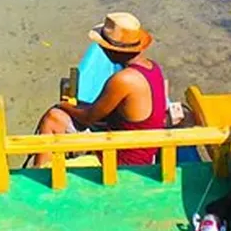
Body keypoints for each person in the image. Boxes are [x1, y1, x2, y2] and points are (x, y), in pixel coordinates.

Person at [33, 12, 167, 167]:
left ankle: (41, 175)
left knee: (53, 118)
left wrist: (64, 105)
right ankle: (40, 171)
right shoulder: (152, 67)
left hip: (120, 162)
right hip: (136, 147)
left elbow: (89, 117)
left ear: (113, 50)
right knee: (54, 118)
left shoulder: (124, 80)